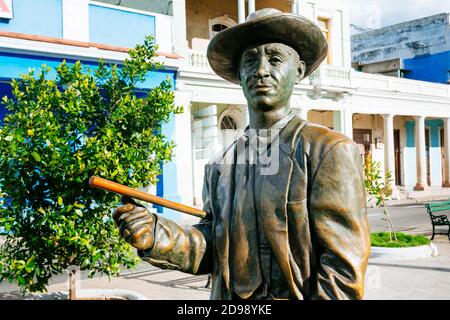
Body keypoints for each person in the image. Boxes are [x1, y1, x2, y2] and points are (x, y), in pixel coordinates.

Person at [113, 8, 370, 300]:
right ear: (239, 74)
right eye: (250, 60)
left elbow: (343, 271)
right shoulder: (220, 165)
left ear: (298, 70)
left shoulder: (328, 151)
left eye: (275, 59)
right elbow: (210, 246)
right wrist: (156, 235)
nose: (261, 70)